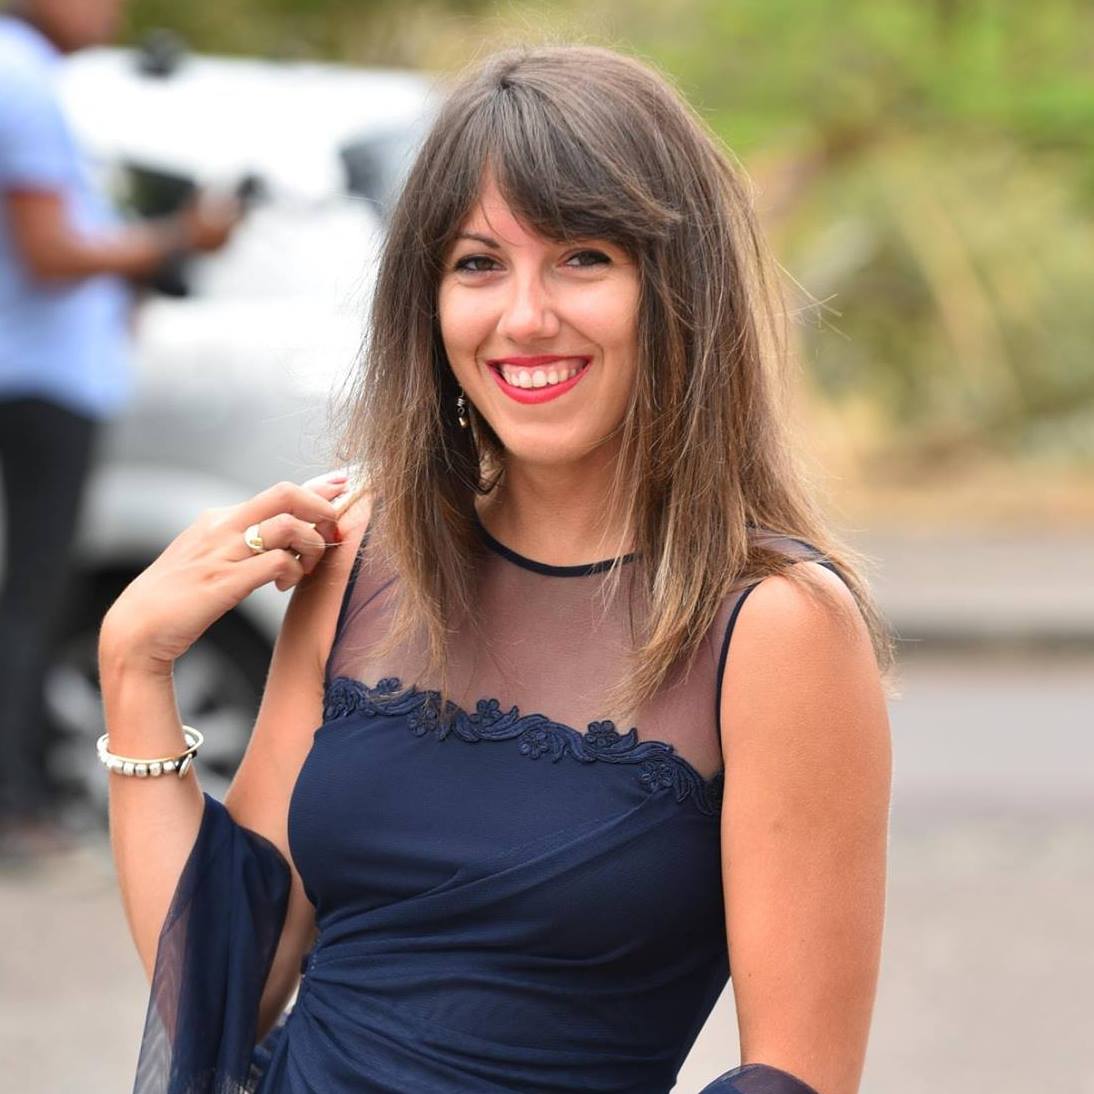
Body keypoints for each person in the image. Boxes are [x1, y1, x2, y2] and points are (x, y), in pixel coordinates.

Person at [98, 44, 894, 1094]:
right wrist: (133, 666)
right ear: (426, 300)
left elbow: (796, 1075)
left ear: (679, 289)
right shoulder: (363, 558)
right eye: (478, 264)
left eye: (582, 257)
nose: (524, 316)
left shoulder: (775, 624)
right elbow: (221, 992)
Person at [0, 0, 241, 855]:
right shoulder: (21, 76)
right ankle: (16, 804)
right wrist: (180, 235)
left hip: (40, 377)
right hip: (38, 383)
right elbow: (49, 250)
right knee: (31, 597)